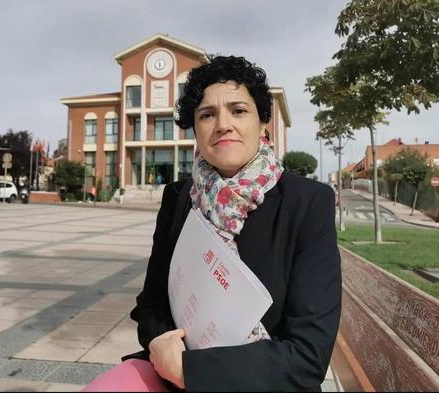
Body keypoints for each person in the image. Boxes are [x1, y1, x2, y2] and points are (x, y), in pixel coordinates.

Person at [82, 56, 341, 391]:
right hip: (173, 373)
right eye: (207, 114)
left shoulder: (307, 202)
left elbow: (308, 355)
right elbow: (152, 304)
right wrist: (163, 346)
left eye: (238, 110)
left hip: (266, 382)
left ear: (263, 122)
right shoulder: (178, 197)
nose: (223, 124)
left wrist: (190, 370)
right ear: (196, 128)